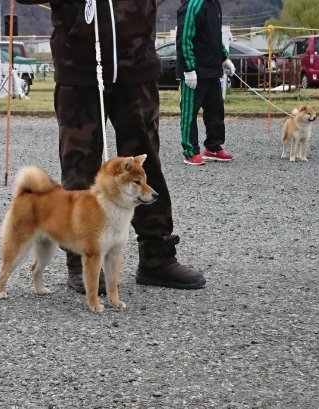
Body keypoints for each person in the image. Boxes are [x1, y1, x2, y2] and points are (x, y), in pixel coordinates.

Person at [13, 0, 206, 292]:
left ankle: (157, 256)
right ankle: (80, 261)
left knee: (145, 164)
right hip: (78, 71)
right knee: (80, 167)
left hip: (136, 68)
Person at [176, 0, 236, 166]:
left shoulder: (214, 4)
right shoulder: (193, 5)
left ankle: (213, 147)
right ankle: (190, 151)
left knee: (216, 110)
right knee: (190, 112)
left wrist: (224, 58)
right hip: (194, 71)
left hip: (212, 69)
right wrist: (189, 69)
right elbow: (184, 39)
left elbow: (215, 36)